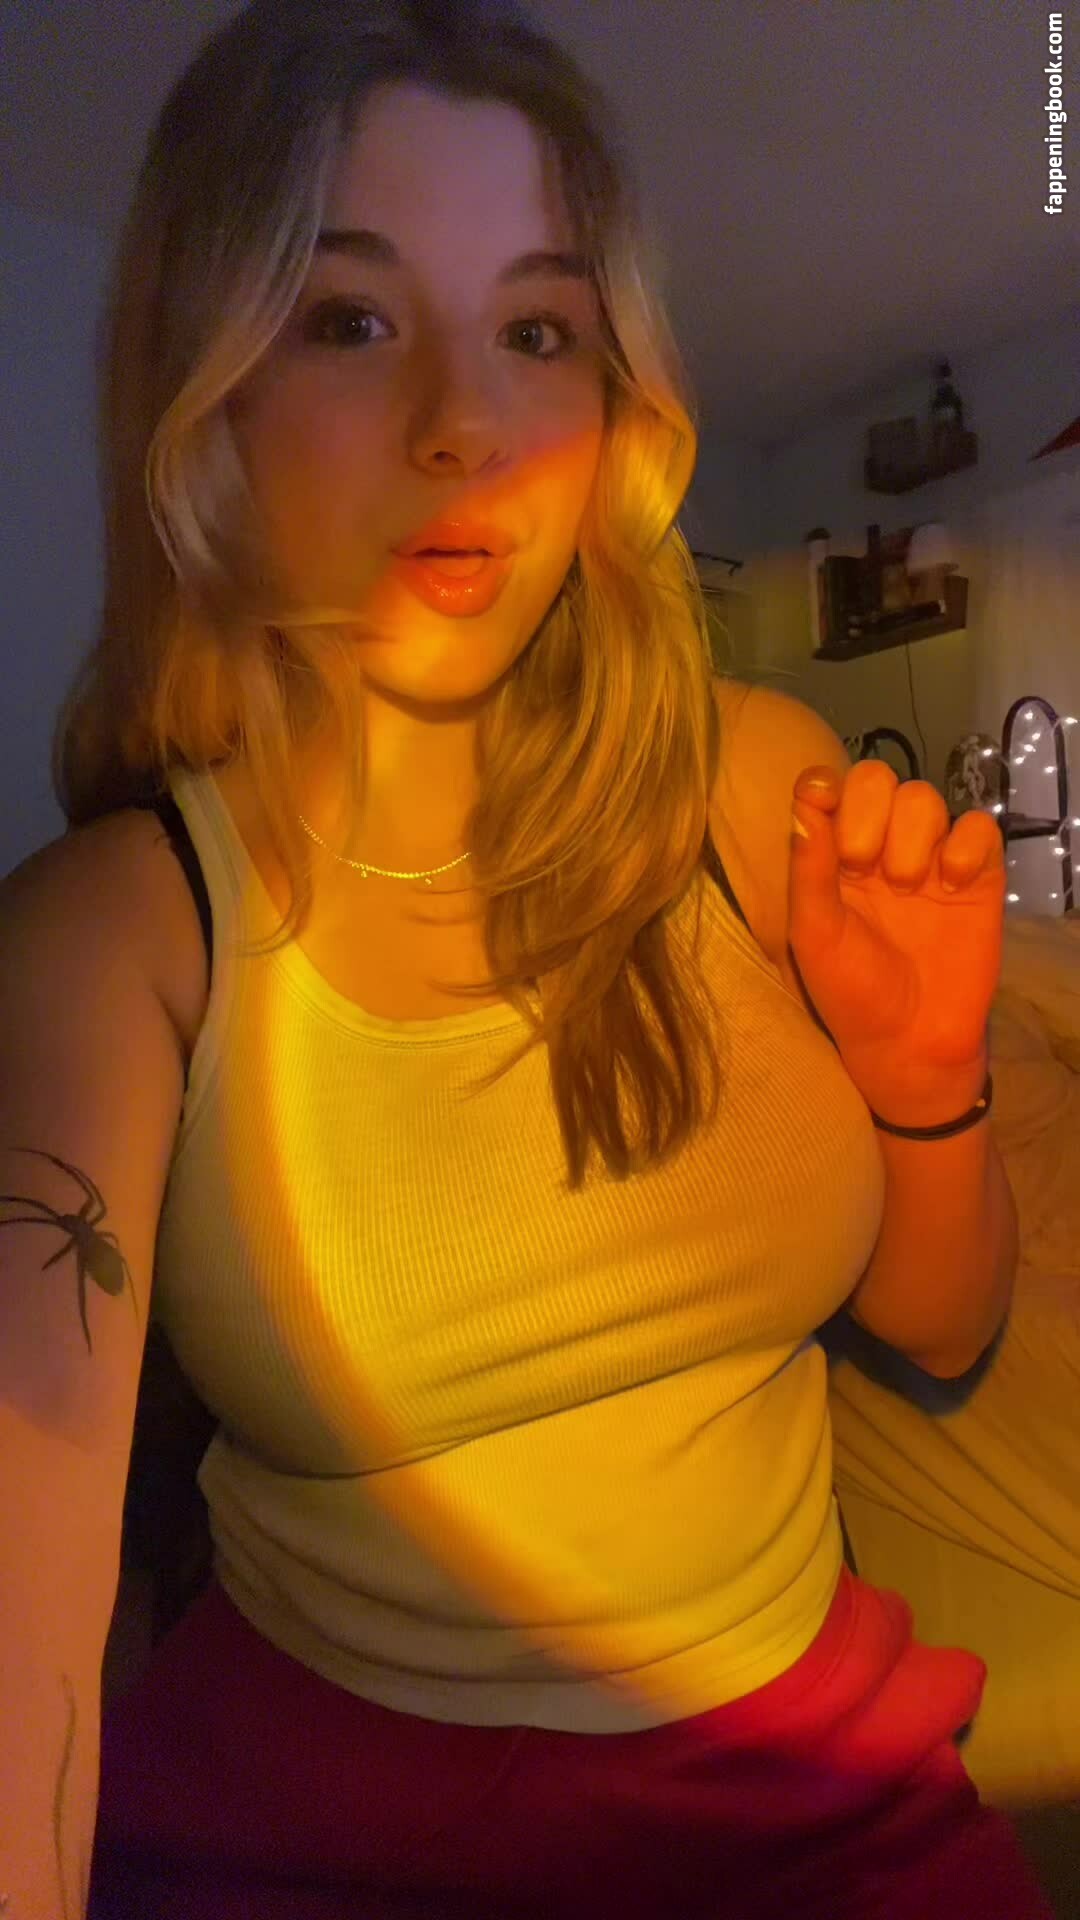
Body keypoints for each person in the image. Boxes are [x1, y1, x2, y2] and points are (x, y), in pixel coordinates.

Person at [0, 2, 1052, 1916]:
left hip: (823, 1792)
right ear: (210, 390)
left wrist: (921, 1087)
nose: (462, 427)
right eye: (351, 319)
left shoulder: (755, 782)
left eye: (539, 332)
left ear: (614, 402)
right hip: (313, 1834)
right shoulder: (113, 933)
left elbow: (942, 1324)